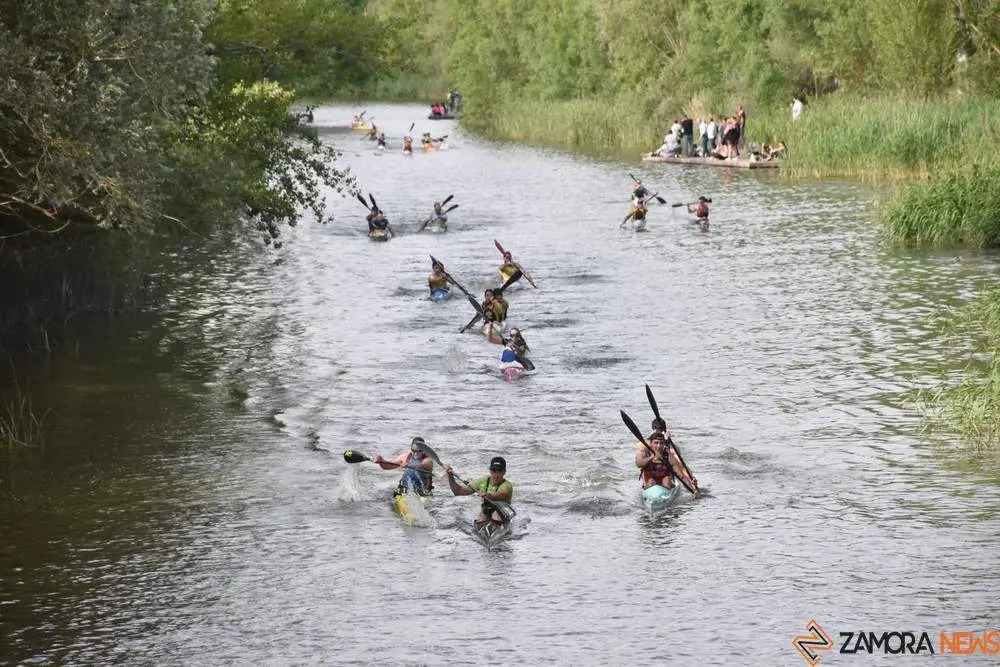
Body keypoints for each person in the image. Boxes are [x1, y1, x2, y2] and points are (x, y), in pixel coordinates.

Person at [445, 456, 513, 526]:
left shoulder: (507, 485)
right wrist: (450, 476)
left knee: (495, 515)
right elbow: (458, 491)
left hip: (501, 514)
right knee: (481, 518)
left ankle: (496, 530)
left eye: (499, 471)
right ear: (490, 470)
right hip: (486, 512)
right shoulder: (482, 481)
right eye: (494, 470)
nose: (496, 474)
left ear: (504, 472)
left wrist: (488, 495)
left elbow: (502, 494)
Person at [635, 429, 698, 499]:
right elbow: (638, 463)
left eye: (661, 443)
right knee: (651, 481)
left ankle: (665, 498)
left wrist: (693, 490)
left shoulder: (668, 456)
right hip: (650, 484)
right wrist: (652, 457)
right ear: (650, 443)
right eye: (656, 443)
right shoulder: (644, 453)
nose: (659, 446)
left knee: (667, 479)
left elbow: (682, 477)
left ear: (664, 444)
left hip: (665, 484)